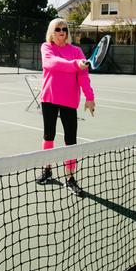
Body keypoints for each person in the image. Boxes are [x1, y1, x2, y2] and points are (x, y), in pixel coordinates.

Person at [35, 18, 95, 197]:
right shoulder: (47, 48)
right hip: (49, 98)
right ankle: (47, 169)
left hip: (69, 101)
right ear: (51, 32)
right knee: (49, 136)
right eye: (58, 29)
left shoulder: (76, 51)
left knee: (71, 140)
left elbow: (83, 76)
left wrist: (90, 97)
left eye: (64, 29)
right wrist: (74, 64)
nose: (62, 32)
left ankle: (70, 178)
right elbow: (50, 63)